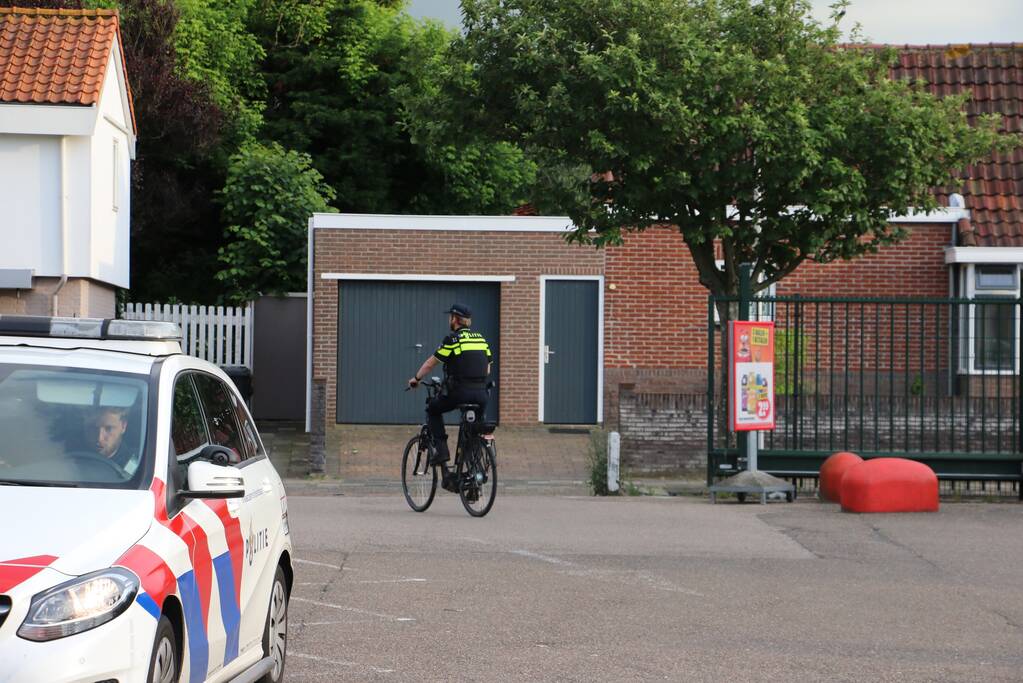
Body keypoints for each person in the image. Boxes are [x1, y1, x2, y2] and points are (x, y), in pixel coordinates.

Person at [408, 303, 492, 490]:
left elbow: (432, 363)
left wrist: (416, 378)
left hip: (459, 392)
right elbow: (487, 367)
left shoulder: (452, 339)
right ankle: (473, 477)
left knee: (433, 409)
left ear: (454, 319)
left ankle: (443, 452)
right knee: (474, 429)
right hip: (481, 395)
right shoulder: (481, 339)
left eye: (450, 317)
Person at [89, 406, 139, 475]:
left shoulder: (135, 467)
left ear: (123, 426)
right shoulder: (74, 461)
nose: (99, 438)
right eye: (93, 428)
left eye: (108, 428)